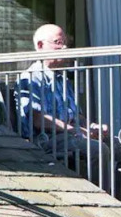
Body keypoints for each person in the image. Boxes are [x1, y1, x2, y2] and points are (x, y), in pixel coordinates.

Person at [16, 24, 111, 152]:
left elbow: (76, 116)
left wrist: (93, 127)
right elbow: (38, 119)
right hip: (47, 139)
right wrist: (74, 130)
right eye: (58, 42)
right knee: (98, 150)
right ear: (40, 45)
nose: (64, 47)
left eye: (65, 43)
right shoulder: (30, 78)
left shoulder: (62, 79)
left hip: (71, 135)